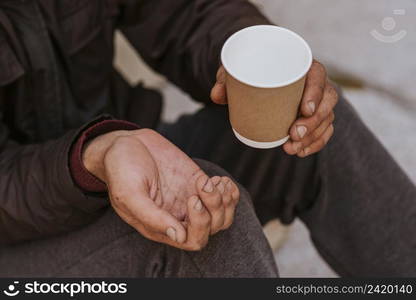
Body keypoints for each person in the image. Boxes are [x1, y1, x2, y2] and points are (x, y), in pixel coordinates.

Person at [0, 0, 414, 277]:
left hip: (120, 150)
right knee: (205, 227)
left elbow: (186, 12)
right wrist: (94, 157)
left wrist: (252, 61)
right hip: (18, 242)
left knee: (303, 122)